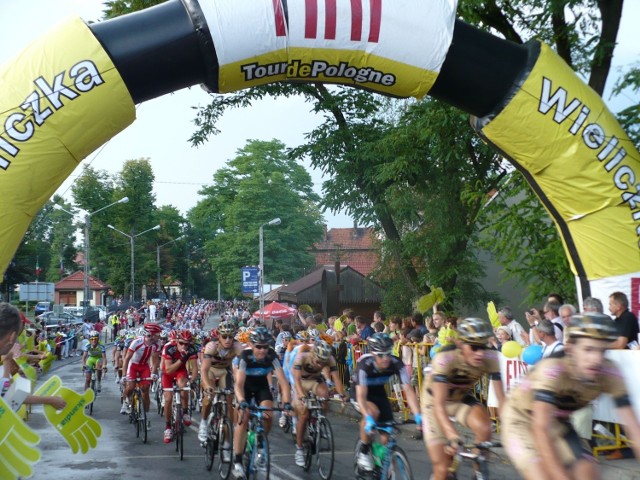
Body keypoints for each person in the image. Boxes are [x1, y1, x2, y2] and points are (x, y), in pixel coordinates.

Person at [501, 313, 640, 479]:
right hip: (521, 420)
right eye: (588, 349)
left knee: (588, 472)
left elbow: (634, 431)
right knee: (543, 474)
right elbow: (541, 429)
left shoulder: (609, 371)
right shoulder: (552, 370)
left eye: (602, 350)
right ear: (570, 349)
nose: (596, 359)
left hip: (557, 422)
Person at [421, 317, 504, 480]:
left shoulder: (492, 357)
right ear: (460, 344)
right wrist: (451, 434)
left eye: (483, 346)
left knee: (485, 428)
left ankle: (478, 473)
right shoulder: (445, 358)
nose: (480, 353)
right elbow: (438, 404)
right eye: (473, 347)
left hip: (460, 400)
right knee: (443, 469)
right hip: (435, 403)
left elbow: (502, 400)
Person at [353, 333, 421, 472]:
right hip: (361, 393)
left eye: (388, 354)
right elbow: (361, 396)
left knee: (387, 439)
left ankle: (385, 468)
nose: (385, 359)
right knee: (372, 413)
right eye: (381, 355)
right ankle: (364, 451)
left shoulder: (396, 363)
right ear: (373, 354)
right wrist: (368, 417)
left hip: (379, 393)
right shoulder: (364, 365)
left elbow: (408, 390)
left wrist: (418, 415)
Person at [232, 326, 292, 479]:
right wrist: (242, 401)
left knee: (268, 415)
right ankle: (238, 461)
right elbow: (238, 385)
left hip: (261, 387)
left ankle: (260, 442)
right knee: (243, 419)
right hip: (245, 386)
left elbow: (284, 383)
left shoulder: (272, 356)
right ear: (252, 345)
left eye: (265, 346)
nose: (262, 350)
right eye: (258, 346)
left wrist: (286, 403)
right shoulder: (245, 356)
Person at [292, 339, 346, 467]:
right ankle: (299, 449)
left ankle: (320, 420)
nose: (320, 365)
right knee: (303, 414)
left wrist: (342, 395)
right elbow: (297, 380)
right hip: (301, 383)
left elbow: (337, 378)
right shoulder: (302, 357)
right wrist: (301, 397)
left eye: (323, 362)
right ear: (312, 354)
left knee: (325, 395)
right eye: (318, 361)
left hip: (315, 380)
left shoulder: (330, 359)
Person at [198, 321, 243, 443]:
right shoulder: (212, 346)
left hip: (224, 371)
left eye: (231, 337)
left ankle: (229, 437)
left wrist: (240, 385)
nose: (228, 340)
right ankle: (203, 422)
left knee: (229, 401)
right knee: (209, 396)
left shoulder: (238, 347)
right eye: (224, 336)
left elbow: (242, 368)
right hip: (211, 371)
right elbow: (204, 369)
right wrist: (207, 386)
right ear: (218, 336)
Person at [161, 329, 199, 444]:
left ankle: (185, 412)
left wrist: (192, 380)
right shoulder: (168, 348)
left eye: (186, 344)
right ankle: (168, 427)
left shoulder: (191, 350)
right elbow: (168, 369)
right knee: (168, 398)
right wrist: (182, 359)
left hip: (180, 372)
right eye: (181, 343)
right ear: (176, 341)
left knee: (184, 385)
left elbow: (195, 368)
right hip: (167, 373)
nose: (184, 346)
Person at [120, 323, 162, 418]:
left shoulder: (157, 344)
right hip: (133, 365)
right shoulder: (137, 342)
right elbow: (126, 359)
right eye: (157, 335)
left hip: (144, 366)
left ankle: (146, 415)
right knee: (130, 386)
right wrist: (123, 375)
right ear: (151, 334)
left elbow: (155, 359)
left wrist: (154, 373)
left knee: (145, 389)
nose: (159, 337)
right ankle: (125, 402)